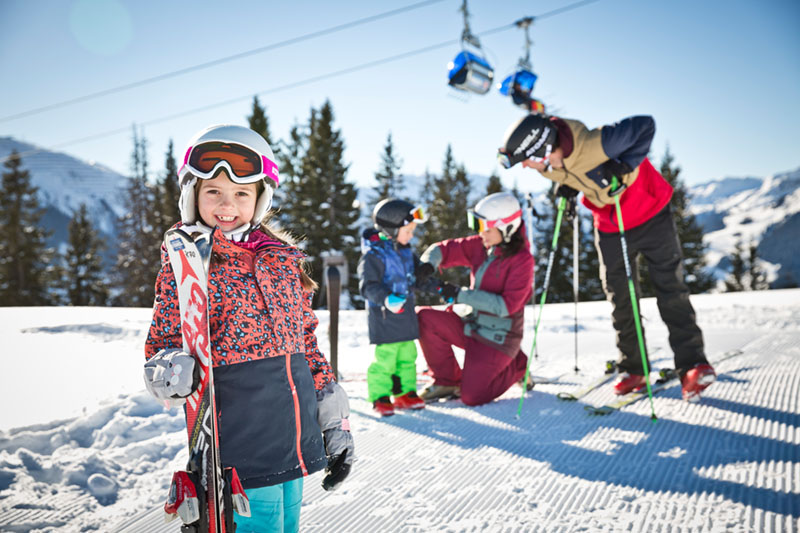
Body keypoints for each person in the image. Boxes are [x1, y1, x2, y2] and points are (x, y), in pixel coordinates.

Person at [143, 124, 354, 532]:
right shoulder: (188, 262)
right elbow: (162, 342)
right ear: (193, 196)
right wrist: (168, 369)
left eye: (242, 193)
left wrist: (333, 420)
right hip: (239, 447)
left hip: (292, 438)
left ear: (260, 199)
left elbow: (306, 344)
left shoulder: (282, 259)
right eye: (214, 192)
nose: (228, 204)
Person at [498, 113, 716, 402]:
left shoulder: (596, 143)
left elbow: (645, 125)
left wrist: (622, 165)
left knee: (669, 288)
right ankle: (634, 368)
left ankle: (692, 366)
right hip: (611, 223)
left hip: (650, 212)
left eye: (527, 158)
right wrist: (568, 187)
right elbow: (577, 173)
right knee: (620, 296)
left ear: (544, 148)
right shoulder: (547, 164)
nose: (526, 166)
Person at [416, 191, 534, 406]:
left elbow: (505, 306)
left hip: (499, 339)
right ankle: (446, 381)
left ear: (507, 227)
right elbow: (444, 249)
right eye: (479, 227)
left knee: (472, 397)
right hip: (472, 326)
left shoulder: (522, 261)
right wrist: (428, 263)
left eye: (486, 229)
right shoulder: (483, 245)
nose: (481, 234)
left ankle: (517, 365)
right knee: (423, 317)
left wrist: (460, 294)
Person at [358, 198, 432, 416]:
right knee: (386, 359)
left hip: (406, 315)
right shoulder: (373, 256)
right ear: (391, 229)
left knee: (408, 356)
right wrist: (387, 298)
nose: (411, 236)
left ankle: (405, 393)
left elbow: (416, 279)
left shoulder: (406, 251)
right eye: (407, 231)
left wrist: (428, 276)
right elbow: (367, 287)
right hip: (384, 316)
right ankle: (380, 396)